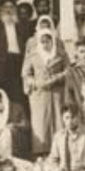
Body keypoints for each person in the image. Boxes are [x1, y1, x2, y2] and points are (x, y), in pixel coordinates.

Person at [22, 18, 69, 156]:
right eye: (42, 41)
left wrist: (55, 79)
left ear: (52, 41)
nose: (45, 44)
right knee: (40, 123)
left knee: (58, 121)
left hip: (56, 92)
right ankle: (41, 152)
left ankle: (60, 151)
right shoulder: (33, 54)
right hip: (39, 93)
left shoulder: (60, 53)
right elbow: (26, 72)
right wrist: (32, 81)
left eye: (47, 41)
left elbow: (68, 70)